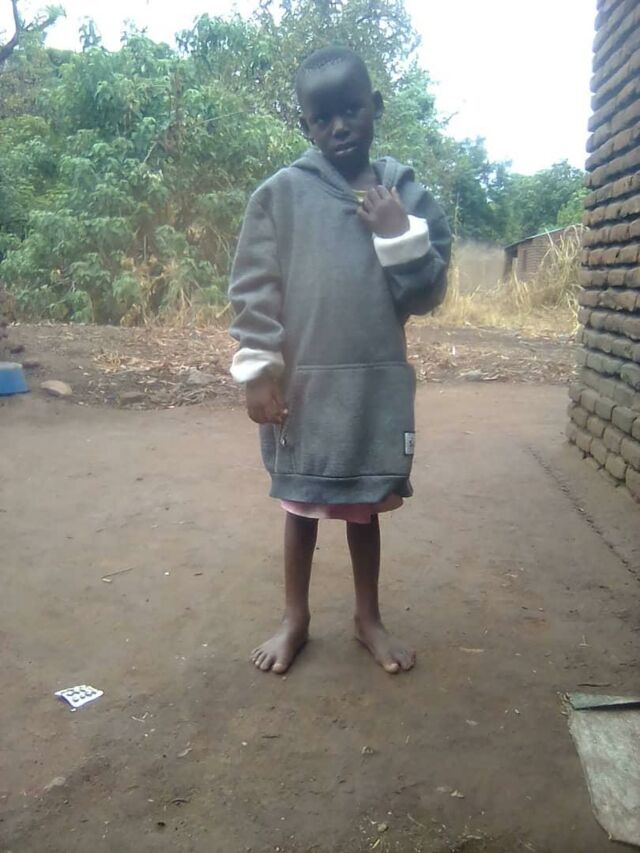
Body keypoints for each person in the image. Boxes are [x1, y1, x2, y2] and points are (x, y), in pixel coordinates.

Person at [229, 46, 451, 675]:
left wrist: (397, 230)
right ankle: (294, 619)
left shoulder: (403, 192)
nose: (339, 127)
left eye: (351, 110)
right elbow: (254, 287)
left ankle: (367, 618)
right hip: (305, 387)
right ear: (305, 124)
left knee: (364, 506)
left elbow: (428, 293)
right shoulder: (280, 196)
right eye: (322, 118)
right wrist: (258, 371)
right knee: (299, 507)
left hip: (373, 385)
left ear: (374, 106)